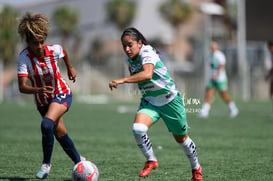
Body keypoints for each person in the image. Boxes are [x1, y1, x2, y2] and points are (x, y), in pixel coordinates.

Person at [109, 27, 203, 181]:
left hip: (170, 101)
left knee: (181, 139)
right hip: (150, 102)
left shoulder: (147, 52)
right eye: (124, 46)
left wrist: (123, 80)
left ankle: (196, 168)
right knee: (138, 129)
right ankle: (151, 160)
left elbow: (147, 74)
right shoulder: (130, 60)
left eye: (130, 45)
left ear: (139, 43)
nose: (127, 49)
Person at [17, 12, 84, 179]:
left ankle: (46, 164)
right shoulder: (24, 58)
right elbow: (22, 87)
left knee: (46, 125)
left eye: (41, 42)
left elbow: (64, 52)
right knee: (59, 132)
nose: (39, 46)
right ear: (28, 42)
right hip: (42, 101)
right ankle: (80, 162)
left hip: (61, 93)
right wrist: (38, 90)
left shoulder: (54, 50)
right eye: (35, 43)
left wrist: (70, 68)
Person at [199, 41, 238, 118]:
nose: (212, 49)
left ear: (216, 48)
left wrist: (216, 74)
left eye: (214, 47)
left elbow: (222, 66)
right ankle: (205, 112)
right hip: (213, 79)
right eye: (211, 47)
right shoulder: (210, 56)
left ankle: (233, 108)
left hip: (220, 79)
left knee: (223, 95)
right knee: (208, 93)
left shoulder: (220, 55)